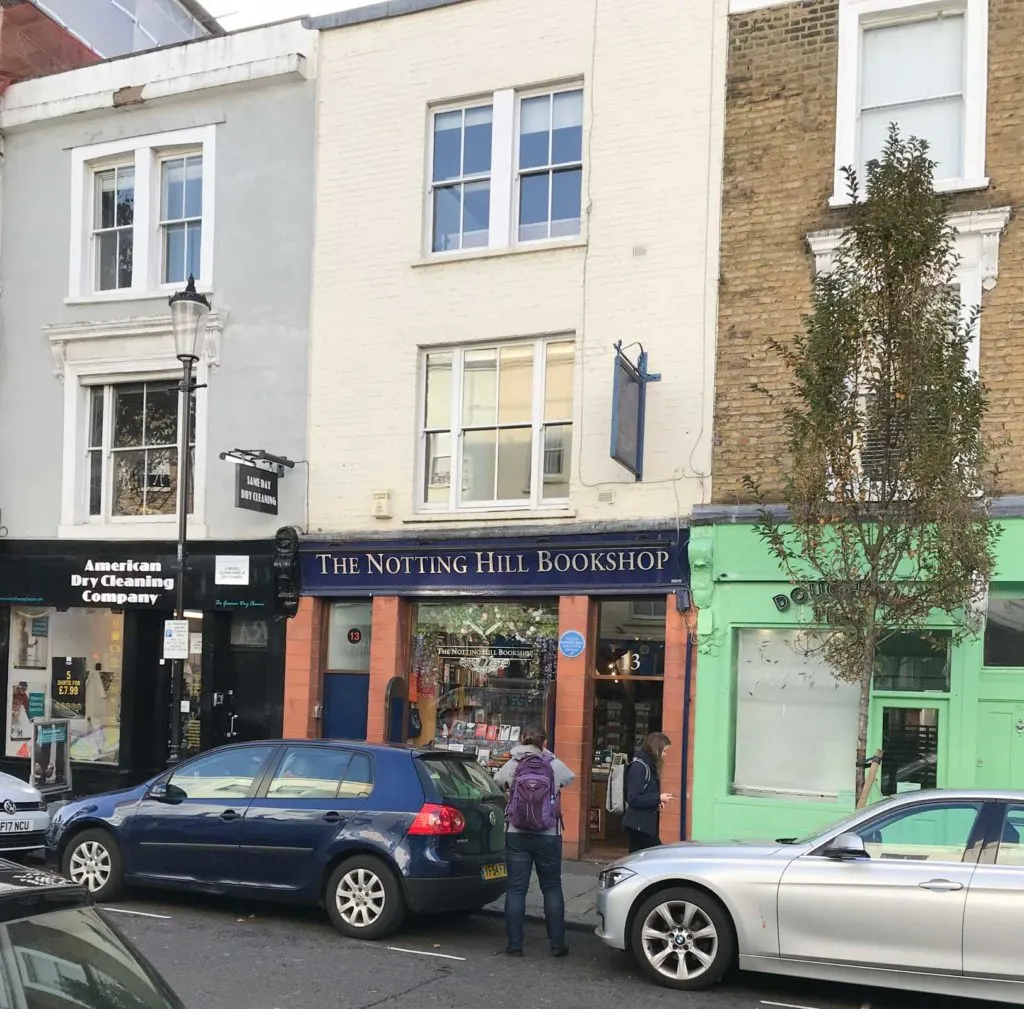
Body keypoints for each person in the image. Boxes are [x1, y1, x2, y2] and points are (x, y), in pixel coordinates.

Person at [494, 726, 575, 958]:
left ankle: (515, 945)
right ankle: (557, 945)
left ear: (522, 740)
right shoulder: (552, 763)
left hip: (516, 833)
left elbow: (497, 780)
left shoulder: (514, 763)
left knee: (516, 888)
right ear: (544, 742)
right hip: (548, 834)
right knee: (551, 887)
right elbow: (570, 778)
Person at [622, 731, 673, 853]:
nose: (665, 755)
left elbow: (645, 793)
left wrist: (656, 801)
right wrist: (658, 798)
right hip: (639, 825)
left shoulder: (648, 766)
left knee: (638, 857)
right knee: (658, 854)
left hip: (643, 825)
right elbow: (633, 798)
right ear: (656, 749)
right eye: (664, 751)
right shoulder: (639, 767)